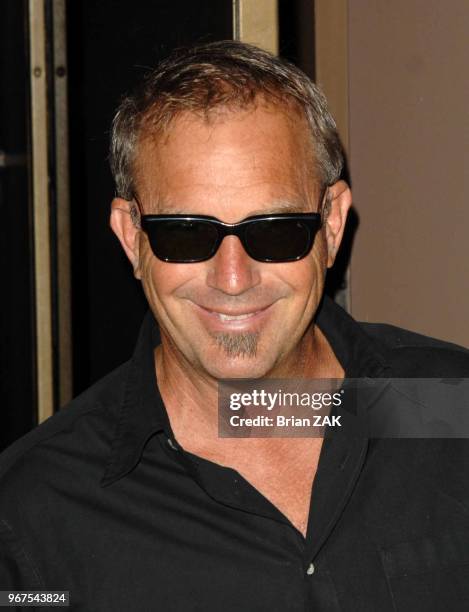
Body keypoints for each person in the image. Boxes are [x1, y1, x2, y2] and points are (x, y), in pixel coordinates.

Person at [1, 40, 468, 611]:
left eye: (274, 230)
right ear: (132, 238)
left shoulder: (452, 409)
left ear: (331, 227)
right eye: (186, 234)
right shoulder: (34, 515)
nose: (232, 278)